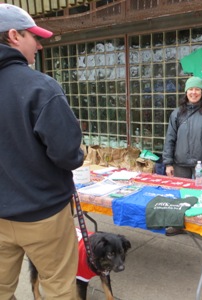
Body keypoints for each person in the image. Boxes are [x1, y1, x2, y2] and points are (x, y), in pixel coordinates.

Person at [0, 4, 84, 299]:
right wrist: (79, 152)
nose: (38, 44)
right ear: (13, 36)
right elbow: (67, 154)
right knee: (59, 288)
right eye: (33, 36)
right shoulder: (41, 87)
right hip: (43, 213)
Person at [162, 76, 202, 235]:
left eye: (197, 89)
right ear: (186, 92)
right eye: (191, 89)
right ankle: (178, 225)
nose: (194, 92)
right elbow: (170, 139)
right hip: (180, 163)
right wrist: (168, 163)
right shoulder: (177, 113)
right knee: (180, 196)